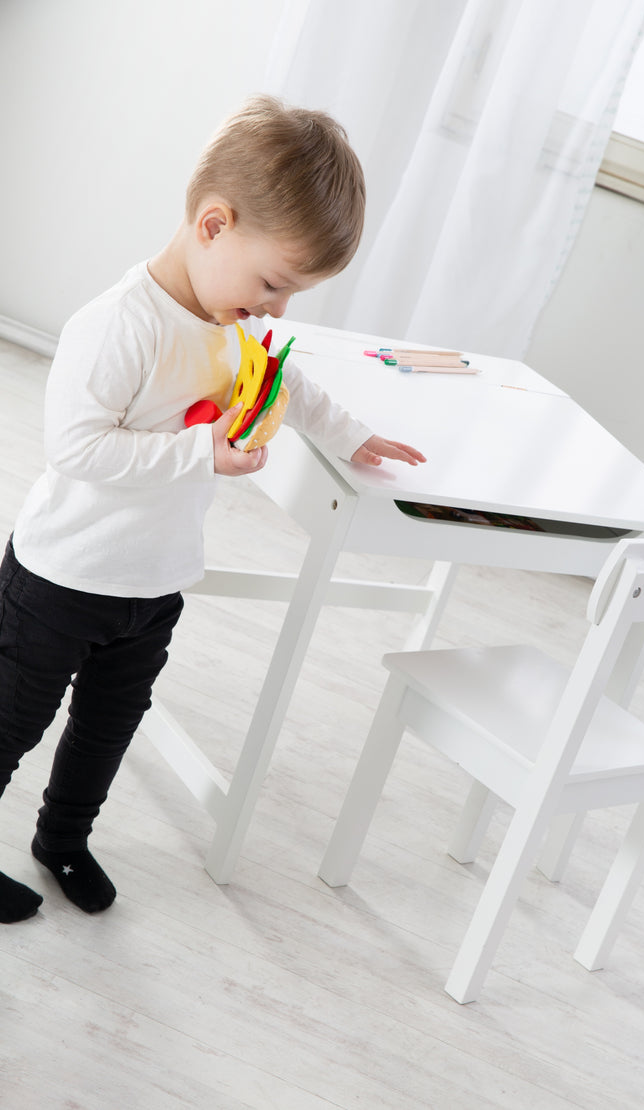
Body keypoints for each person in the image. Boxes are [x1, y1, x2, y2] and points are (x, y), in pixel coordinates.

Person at [0, 95, 425, 924]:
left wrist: (355, 435)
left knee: (106, 730)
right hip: (62, 578)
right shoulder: (119, 326)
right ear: (213, 225)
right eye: (273, 283)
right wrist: (206, 455)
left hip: (151, 585)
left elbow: (287, 383)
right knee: (10, 720)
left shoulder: (231, 322)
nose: (276, 308)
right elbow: (77, 451)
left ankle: (64, 837)